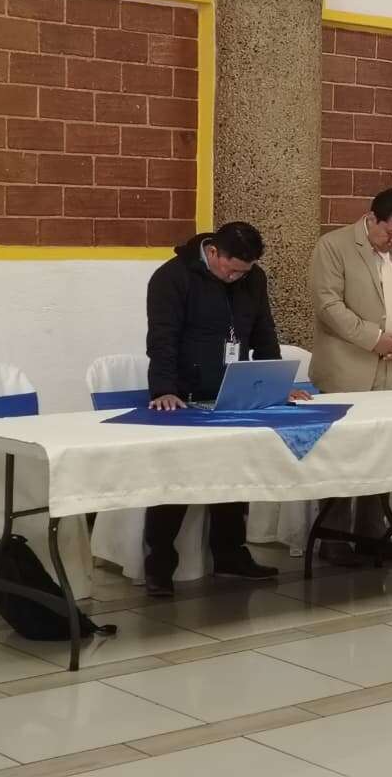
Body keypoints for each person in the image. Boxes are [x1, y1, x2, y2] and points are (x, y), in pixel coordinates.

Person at [142, 221, 302, 596]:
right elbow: (162, 338)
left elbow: (264, 331)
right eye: (231, 270)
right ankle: (159, 565)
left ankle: (230, 554)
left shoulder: (253, 278)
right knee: (179, 477)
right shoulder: (172, 277)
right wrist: (165, 389)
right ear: (212, 252)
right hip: (185, 393)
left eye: (243, 272)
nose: (236, 278)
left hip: (233, 392)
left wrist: (276, 383)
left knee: (235, 471)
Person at [309, 188, 392, 560]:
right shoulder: (334, 246)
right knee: (344, 453)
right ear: (372, 218)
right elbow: (328, 305)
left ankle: (372, 533)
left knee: (381, 453)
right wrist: (374, 339)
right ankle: (334, 537)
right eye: (390, 232)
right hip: (347, 369)